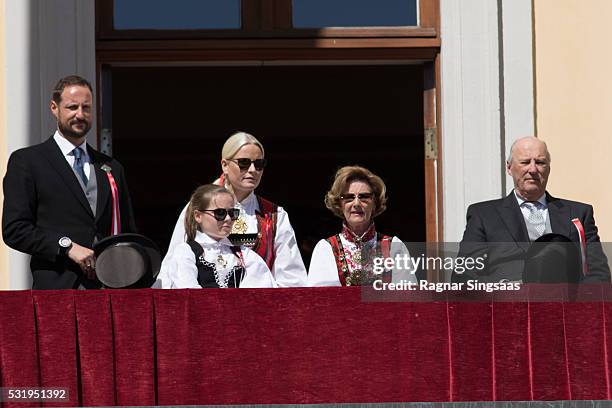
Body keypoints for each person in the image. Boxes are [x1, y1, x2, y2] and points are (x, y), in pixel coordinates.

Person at [2, 75, 136, 289]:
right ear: (54, 108)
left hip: (109, 289)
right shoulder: (28, 161)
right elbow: (15, 230)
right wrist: (67, 247)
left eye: (86, 107)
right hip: (58, 290)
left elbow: (128, 231)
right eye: (72, 107)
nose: (80, 115)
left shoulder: (111, 167)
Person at [157, 131, 306, 288]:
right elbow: (173, 268)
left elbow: (291, 279)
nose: (253, 170)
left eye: (259, 164)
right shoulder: (198, 207)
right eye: (244, 163)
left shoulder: (275, 216)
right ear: (225, 165)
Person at [454, 136, 610, 283]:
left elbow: (598, 273)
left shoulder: (579, 214)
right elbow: (464, 275)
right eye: (525, 162)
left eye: (540, 162)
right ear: (509, 168)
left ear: (548, 168)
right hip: (508, 306)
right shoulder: (484, 215)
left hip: (565, 305)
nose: (533, 169)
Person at [308, 166, 416, 286]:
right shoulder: (326, 248)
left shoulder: (394, 247)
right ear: (339, 204)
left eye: (364, 197)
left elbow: (407, 299)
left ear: (375, 203)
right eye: (349, 197)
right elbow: (318, 300)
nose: (356, 203)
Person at [166, 184, 276, 288]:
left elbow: (261, 291)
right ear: (198, 216)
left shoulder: (244, 254)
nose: (228, 219)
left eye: (232, 213)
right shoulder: (186, 252)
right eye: (220, 213)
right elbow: (188, 292)